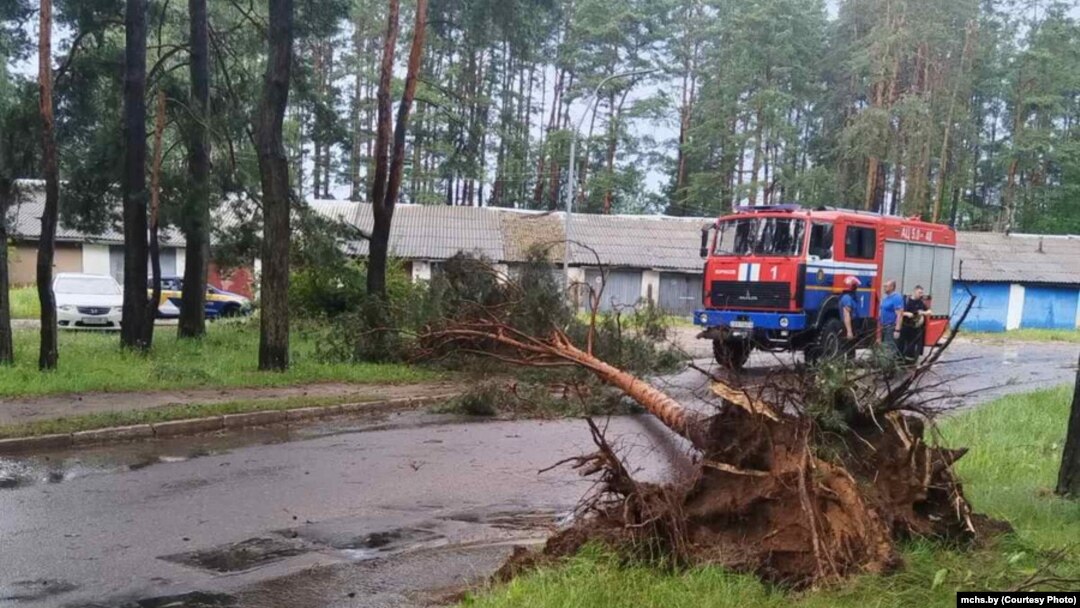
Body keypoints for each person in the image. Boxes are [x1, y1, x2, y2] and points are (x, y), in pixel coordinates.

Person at [899, 285, 932, 362]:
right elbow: (898, 312)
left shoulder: (920, 302)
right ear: (914, 291)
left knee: (912, 346)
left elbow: (929, 311)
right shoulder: (906, 301)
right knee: (901, 344)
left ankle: (910, 362)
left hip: (915, 328)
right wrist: (906, 313)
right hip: (905, 326)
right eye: (919, 292)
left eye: (922, 293)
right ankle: (900, 361)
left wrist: (923, 312)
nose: (921, 295)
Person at [879, 279, 904, 356]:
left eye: (886, 286)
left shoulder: (896, 298)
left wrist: (897, 330)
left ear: (892, 287)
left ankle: (889, 362)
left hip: (891, 327)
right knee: (884, 347)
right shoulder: (886, 298)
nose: (884, 287)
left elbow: (899, 314)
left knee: (889, 348)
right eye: (884, 286)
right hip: (884, 326)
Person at [839, 276, 861, 356]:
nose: (856, 288)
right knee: (849, 347)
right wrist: (849, 331)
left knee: (852, 347)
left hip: (852, 324)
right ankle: (848, 361)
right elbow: (846, 315)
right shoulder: (847, 298)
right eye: (855, 286)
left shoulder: (851, 297)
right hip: (849, 325)